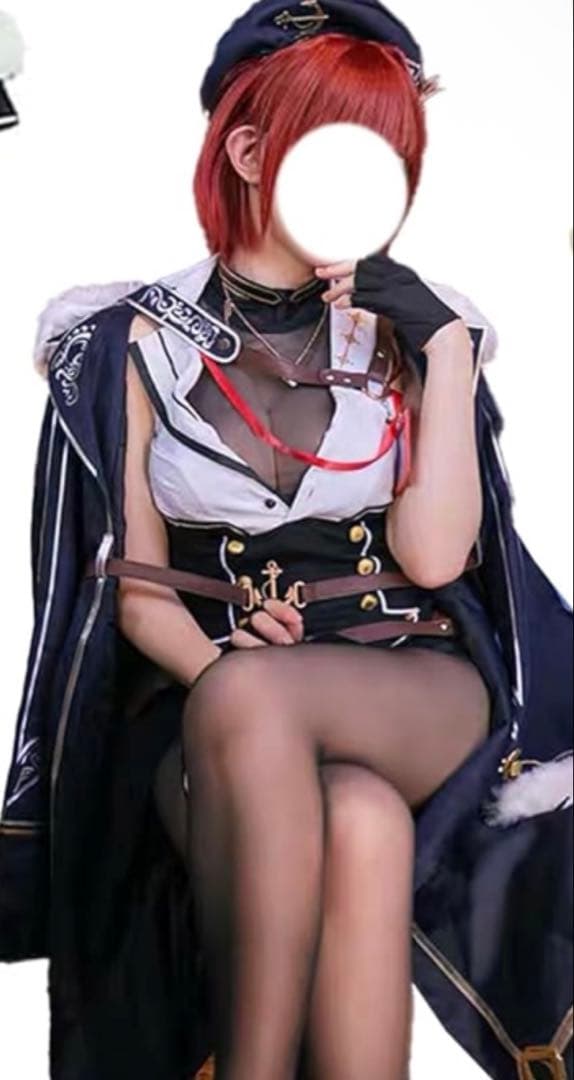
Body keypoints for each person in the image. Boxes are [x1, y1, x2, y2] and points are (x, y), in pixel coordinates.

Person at [1, 3, 572, 1080]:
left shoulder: (422, 330)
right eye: (338, 148)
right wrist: (227, 672)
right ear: (252, 152)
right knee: (357, 821)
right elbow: (133, 587)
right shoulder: (131, 338)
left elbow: (437, 557)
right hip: (218, 690)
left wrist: (445, 355)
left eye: (388, 155)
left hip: (413, 681)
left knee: (264, 712)